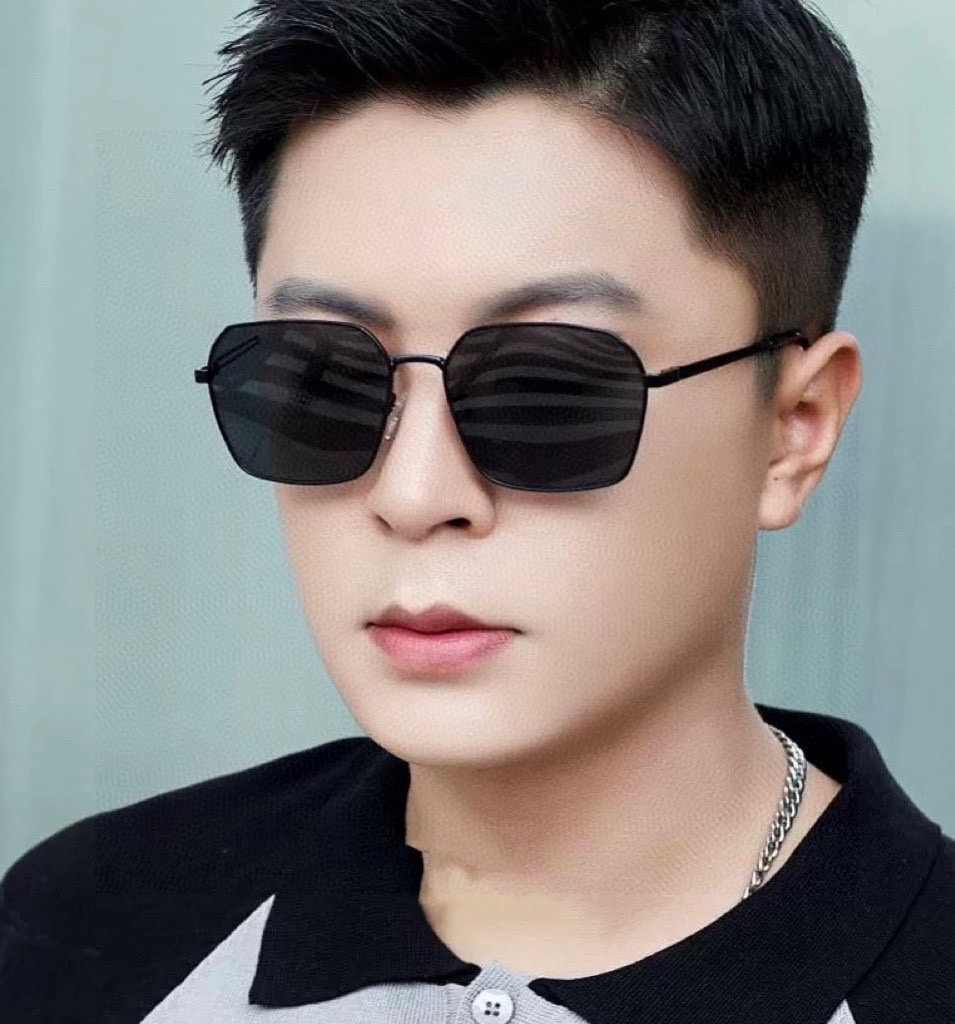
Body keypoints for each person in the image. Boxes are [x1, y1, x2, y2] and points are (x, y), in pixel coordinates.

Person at [2, 0, 952, 1021]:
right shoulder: (94, 922)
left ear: (794, 429)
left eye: (544, 388)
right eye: (323, 380)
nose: (413, 494)